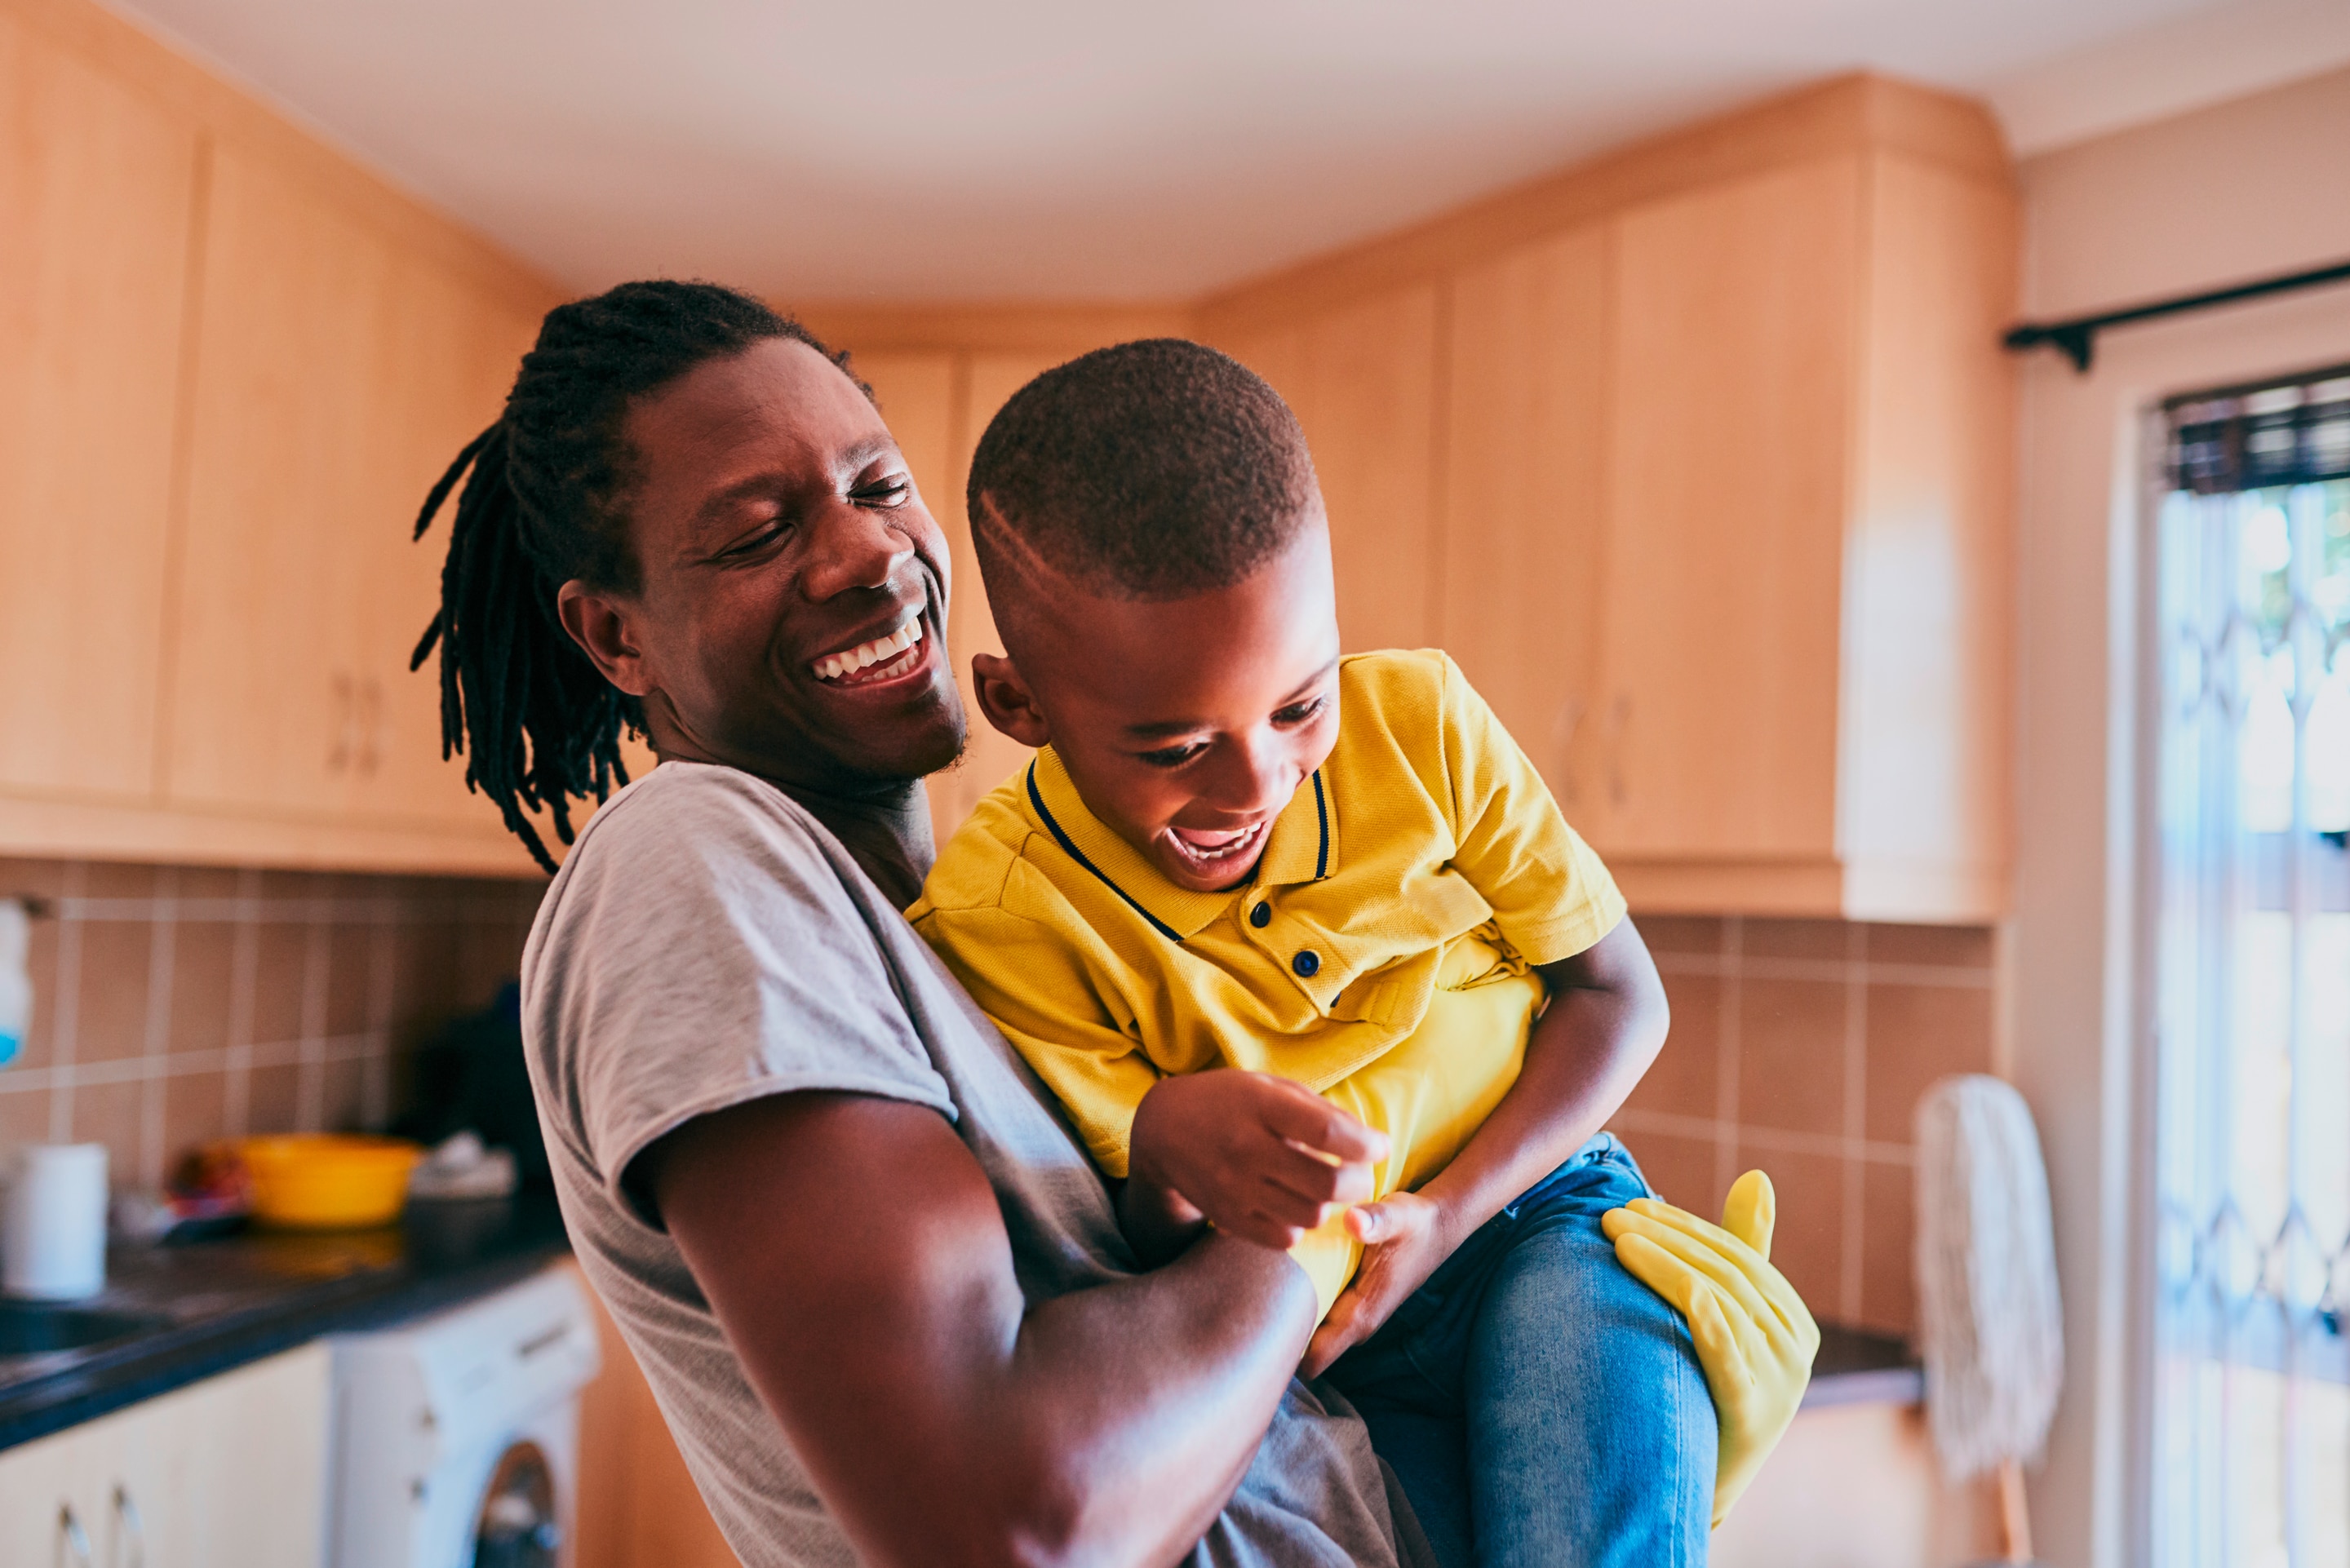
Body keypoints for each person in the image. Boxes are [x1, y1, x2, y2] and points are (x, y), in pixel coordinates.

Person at [411, 279, 1818, 1568]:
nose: (864, 553)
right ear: (617, 635)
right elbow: (1023, 1524)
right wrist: (1369, 1152)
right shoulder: (694, 860)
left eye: (879, 483)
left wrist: (1617, 1406)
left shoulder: (954, 918)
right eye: (758, 534)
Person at [907, 339, 1705, 1564]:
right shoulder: (1005, 914)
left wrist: (1443, 1215)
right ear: (1021, 707)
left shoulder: (1424, 725)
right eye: (1175, 748)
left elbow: (1617, 996)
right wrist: (1165, 1140)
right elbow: (1130, 1243)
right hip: (1324, 1345)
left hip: (1538, 1216)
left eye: (1300, 704)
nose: (1256, 784)